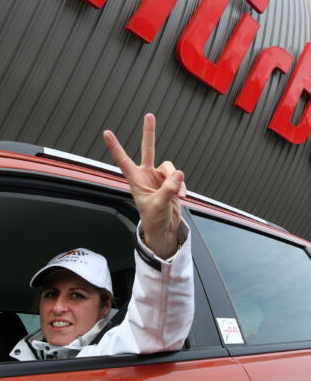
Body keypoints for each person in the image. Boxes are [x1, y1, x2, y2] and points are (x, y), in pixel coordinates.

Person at [10, 113, 194, 360]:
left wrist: (160, 238)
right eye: (51, 294)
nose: (58, 307)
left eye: (77, 295)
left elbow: (158, 330)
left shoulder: (108, 354)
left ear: (105, 308)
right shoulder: (18, 359)